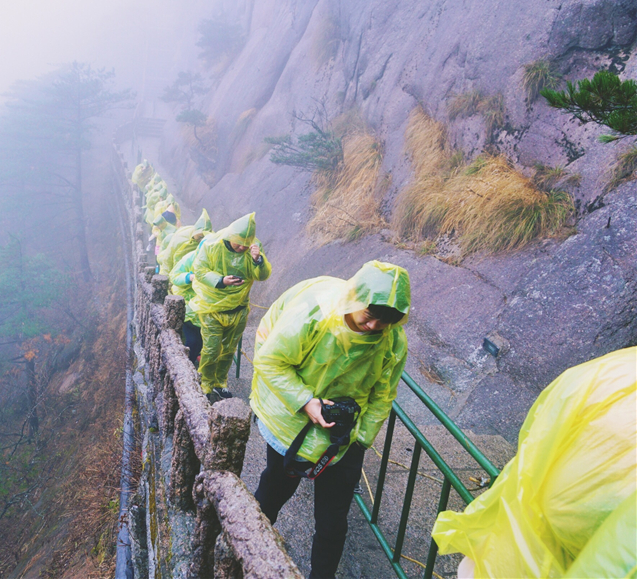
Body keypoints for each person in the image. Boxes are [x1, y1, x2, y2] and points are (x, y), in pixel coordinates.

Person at [250, 261, 411, 579]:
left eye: (385, 321)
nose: (374, 326)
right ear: (356, 300)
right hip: (292, 423)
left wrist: (360, 438)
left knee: (332, 521)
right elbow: (270, 359)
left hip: (344, 436)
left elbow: (382, 396)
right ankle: (245, 546)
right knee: (274, 490)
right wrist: (305, 401)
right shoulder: (315, 314)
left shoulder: (393, 341)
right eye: (369, 315)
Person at [432, 346, 636, 579]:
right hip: (536, 552)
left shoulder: (611, 370)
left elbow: (536, 433)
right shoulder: (615, 373)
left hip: (505, 542)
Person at [190, 212, 271, 403]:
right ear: (230, 236)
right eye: (238, 243)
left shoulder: (253, 248)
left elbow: (262, 275)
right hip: (212, 308)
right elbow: (200, 270)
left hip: (239, 308)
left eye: (245, 243)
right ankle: (206, 384)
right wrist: (221, 280)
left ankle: (220, 383)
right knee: (211, 349)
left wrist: (258, 260)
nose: (241, 247)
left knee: (229, 349)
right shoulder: (212, 245)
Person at [169, 247, 204, 365]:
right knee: (193, 341)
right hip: (188, 309)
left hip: (203, 311)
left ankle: (190, 363)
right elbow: (174, 276)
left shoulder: (217, 261)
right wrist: (189, 277)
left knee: (199, 342)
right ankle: (186, 365)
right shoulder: (191, 258)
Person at [157, 208, 212, 275]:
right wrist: (166, 277)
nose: (201, 240)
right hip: (174, 265)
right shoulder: (179, 239)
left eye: (204, 237)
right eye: (200, 237)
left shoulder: (209, 239)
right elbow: (167, 259)